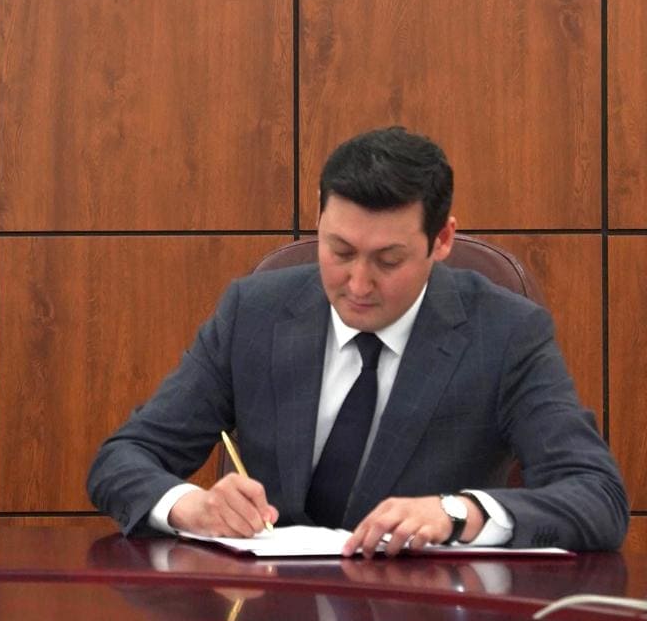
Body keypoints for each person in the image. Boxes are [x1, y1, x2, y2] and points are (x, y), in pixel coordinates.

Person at [88, 126, 628, 554]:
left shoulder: (505, 333)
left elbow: (597, 496)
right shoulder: (254, 313)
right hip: (269, 620)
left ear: (442, 240)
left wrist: (457, 513)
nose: (358, 284)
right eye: (340, 251)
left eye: (388, 260)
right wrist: (188, 505)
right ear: (319, 221)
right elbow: (124, 458)